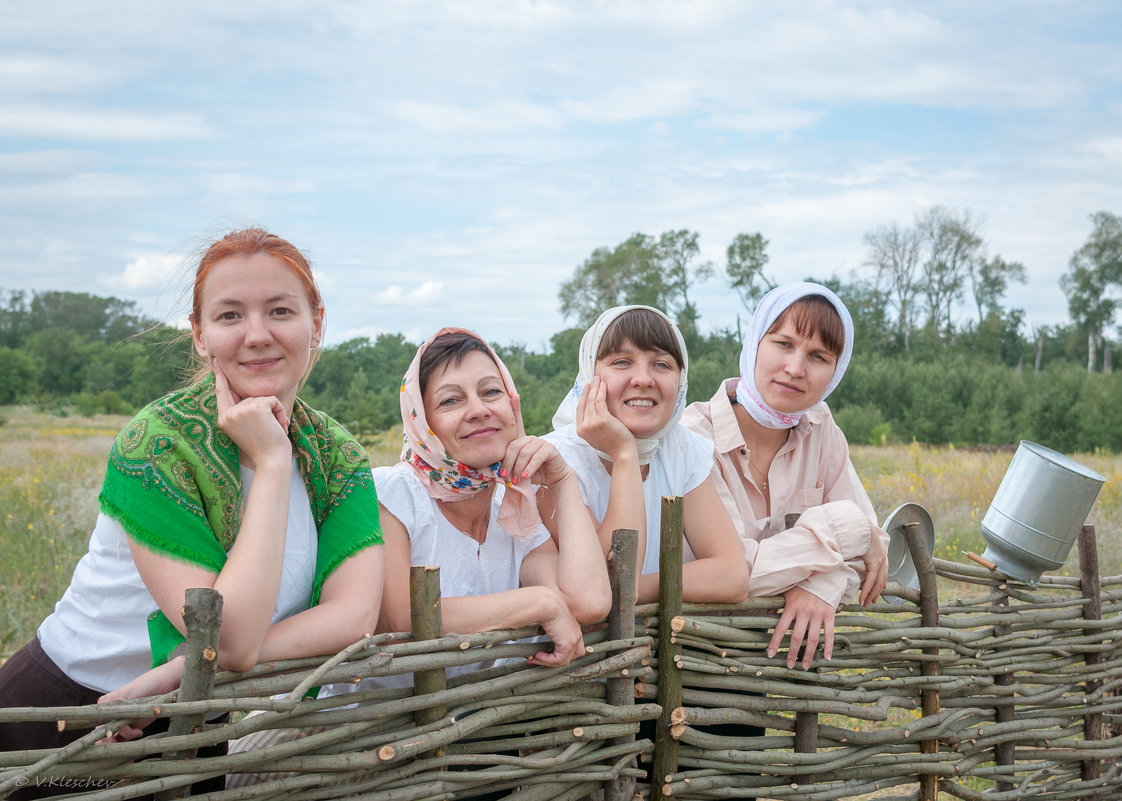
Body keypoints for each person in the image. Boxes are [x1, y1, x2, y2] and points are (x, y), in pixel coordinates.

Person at [0, 229, 385, 779]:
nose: (257, 335)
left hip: (196, 716)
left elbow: (353, 617)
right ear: (200, 335)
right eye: (229, 316)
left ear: (316, 322)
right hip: (67, 714)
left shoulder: (336, 454)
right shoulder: (154, 444)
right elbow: (228, 635)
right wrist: (273, 464)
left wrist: (182, 667)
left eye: (280, 310)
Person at [681, 282, 888, 670]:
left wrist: (822, 584)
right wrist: (848, 527)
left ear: (836, 370)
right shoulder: (693, 438)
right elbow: (736, 572)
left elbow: (875, 550)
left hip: (774, 670)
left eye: (818, 356)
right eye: (783, 344)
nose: (795, 369)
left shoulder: (822, 429)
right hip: (690, 658)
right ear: (755, 341)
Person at [543, 305, 749, 605]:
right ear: (589, 374)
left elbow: (732, 576)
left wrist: (641, 588)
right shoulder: (552, 462)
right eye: (622, 362)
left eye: (662, 365)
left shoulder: (682, 448)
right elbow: (605, 586)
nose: (643, 379)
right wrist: (625, 454)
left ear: (681, 379)